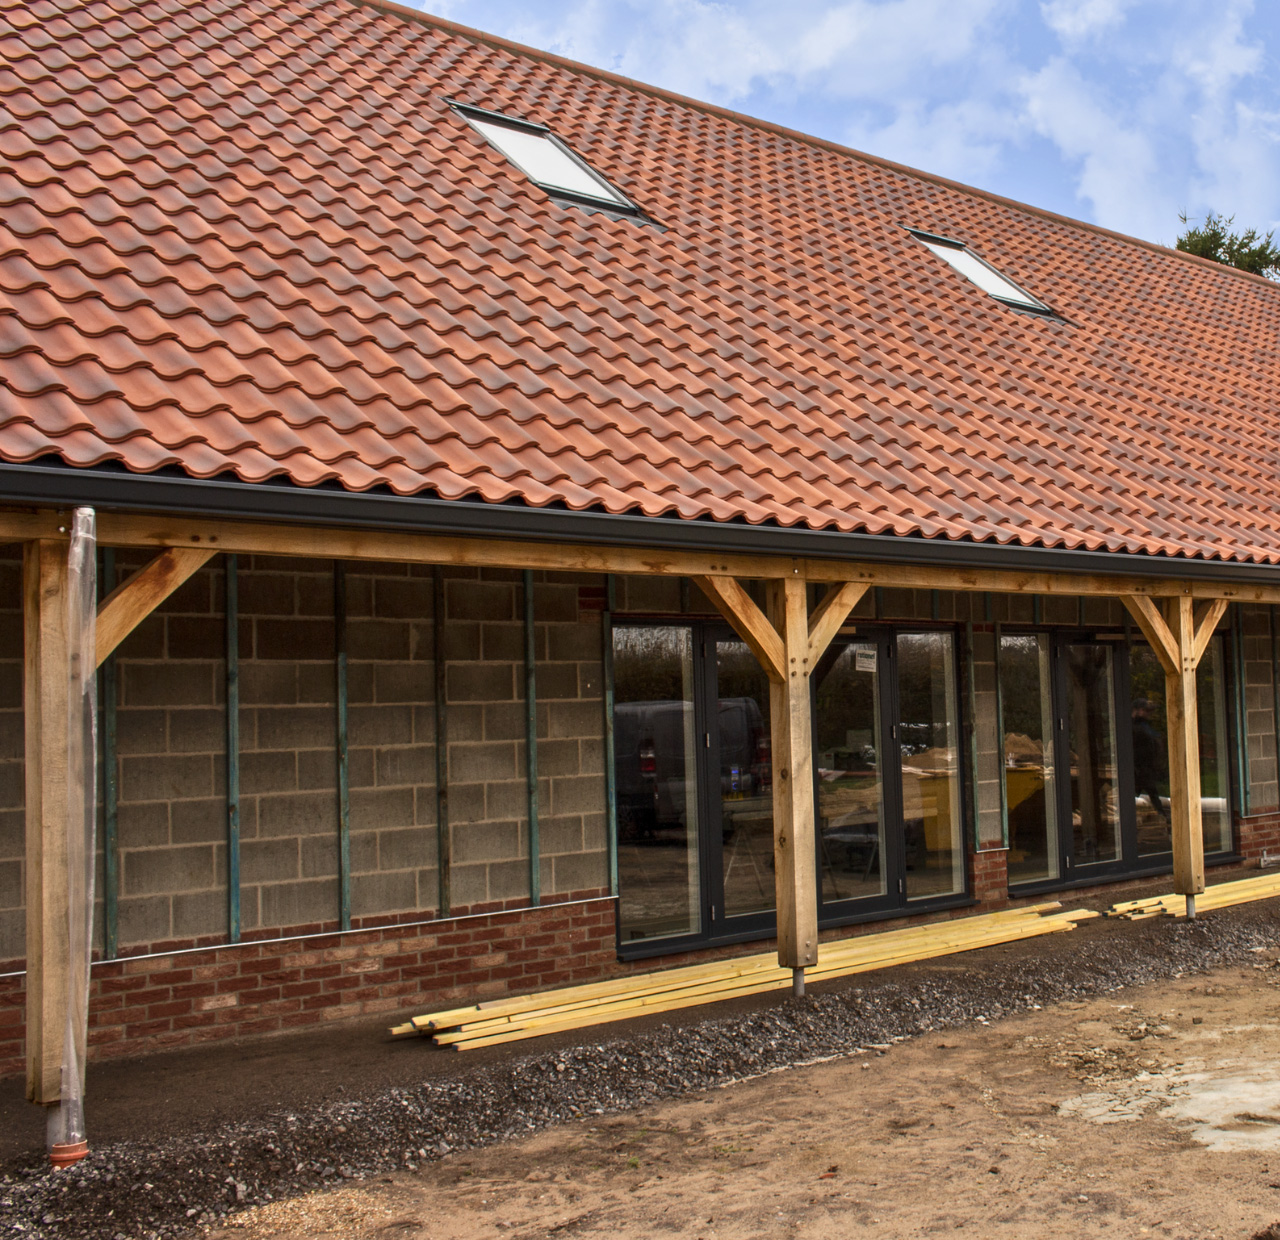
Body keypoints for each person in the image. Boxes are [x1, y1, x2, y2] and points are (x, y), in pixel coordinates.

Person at [1131, 698, 1168, 822]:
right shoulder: (1136, 727)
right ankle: (1162, 815)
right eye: (1146, 710)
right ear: (1136, 710)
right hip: (1138, 768)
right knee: (1150, 791)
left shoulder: (1144, 726)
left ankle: (1161, 814)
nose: (1149, 714)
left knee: (1152, 792)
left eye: (1150, 711)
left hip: (1145, 767)